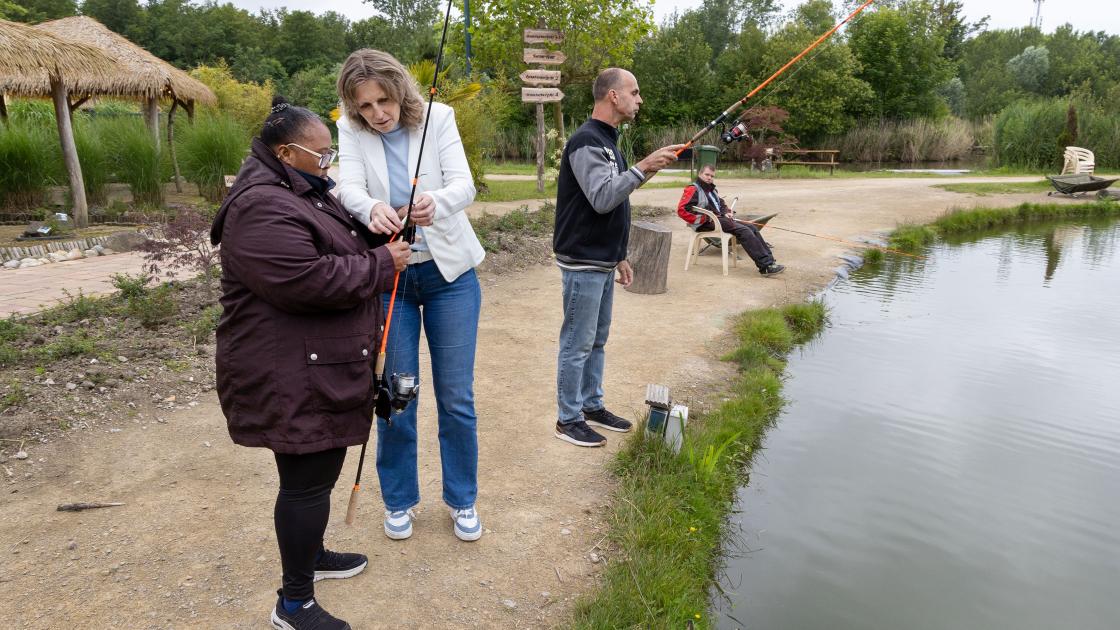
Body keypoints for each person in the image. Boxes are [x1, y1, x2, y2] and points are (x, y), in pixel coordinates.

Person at [210, 96, 411, 630]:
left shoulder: (297, 189)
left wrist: (385, 232)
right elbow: (304, 280)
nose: (330, 166)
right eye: (322, 157)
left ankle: (312, 554)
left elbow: (335, 244)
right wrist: (380, 264)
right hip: (286, 372)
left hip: (311, 363)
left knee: (317, 474)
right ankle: (293, 603)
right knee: (305, 480)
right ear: (285, 151)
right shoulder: (260, 206)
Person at [334, 49, 486, 542]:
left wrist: (433, 203)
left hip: (450, 277)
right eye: (366, 106)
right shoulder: (349, 129)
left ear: (400, 91)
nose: (378, 114)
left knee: (456, 397)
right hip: (389, 278)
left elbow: (464, 186)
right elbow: (347, 190)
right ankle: (400, 500)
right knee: (394, 396)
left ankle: (462, 499)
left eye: (384, 100)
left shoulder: (439, 117)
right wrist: (374, 206)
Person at [552, 67, 684, 448]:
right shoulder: (586, 141)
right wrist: (644, 167)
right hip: (582, 261)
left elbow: (612, 205)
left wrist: (620, 254)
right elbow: (604, 196)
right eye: (635, 92)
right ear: (613, 96)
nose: (639, 99)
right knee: (577, 343)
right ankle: (567, 418)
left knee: (596, 341)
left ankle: (591, 405)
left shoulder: (608, 141)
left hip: (603, 259)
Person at [677, 163, 784, 276]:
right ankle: (765, 267)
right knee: (744, 231)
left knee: (752, 227)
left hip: (720, 219)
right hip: (706, 223)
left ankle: (770, 262)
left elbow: (720, 203)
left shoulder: (712, 189)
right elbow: (682, 210)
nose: (709, 178)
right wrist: (706, 218)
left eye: (712, 176)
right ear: (700, 174)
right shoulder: (692, 189)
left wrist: (726, 212)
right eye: (707, 174)